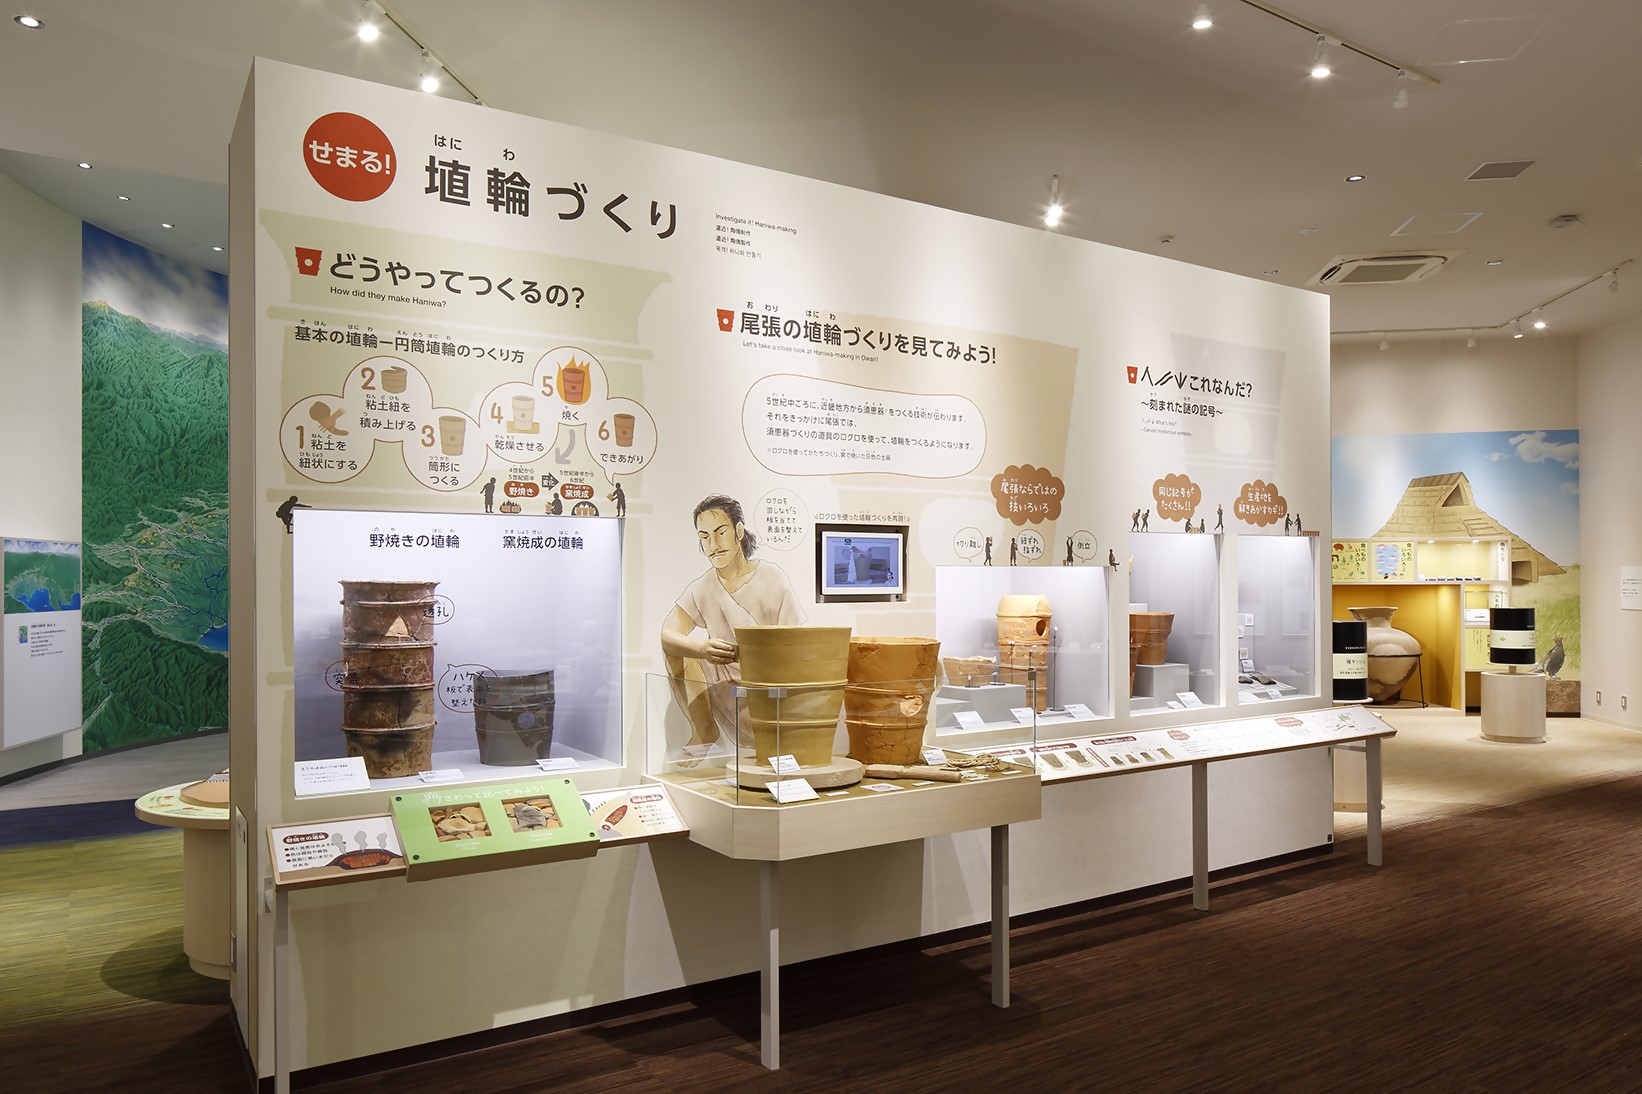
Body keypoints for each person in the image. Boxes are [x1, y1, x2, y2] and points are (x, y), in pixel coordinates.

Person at [661, 494, 803, 751]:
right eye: (704, 537)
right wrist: (703, 649)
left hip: (768, 688)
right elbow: (668, 635)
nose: (713, 544)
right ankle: (704, 729)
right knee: (676, 650)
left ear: (738, 531)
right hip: (725, 688)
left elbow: (795, 644)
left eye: (720, 532)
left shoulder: (772, 576)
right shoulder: (703, 586)